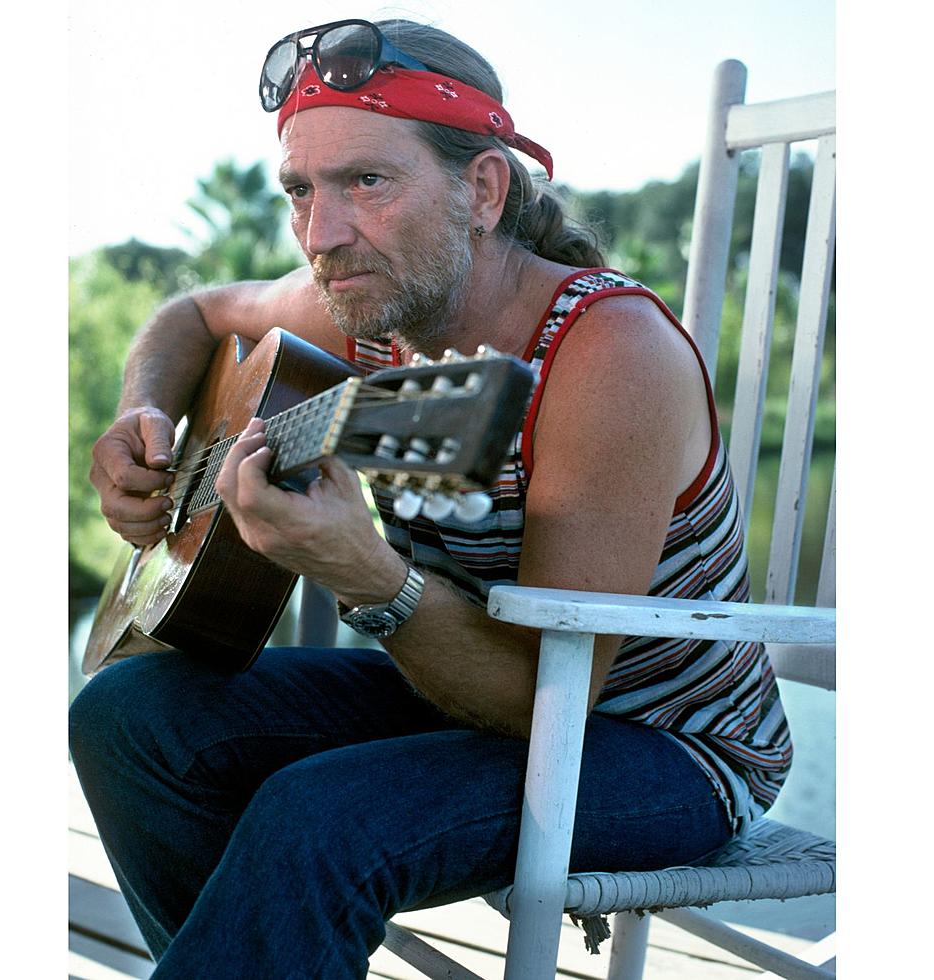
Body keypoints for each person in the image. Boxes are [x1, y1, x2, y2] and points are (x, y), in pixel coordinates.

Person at [69, 18, 792, 978]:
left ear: (482, 190)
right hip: (459, 691)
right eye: (300, 190)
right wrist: (144, 413)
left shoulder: (609, 354)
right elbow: (193, 314)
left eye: (367, 181)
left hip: (664, 747)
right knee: (126, 717)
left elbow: (542, 701)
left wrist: (363, 572)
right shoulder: (372, 303)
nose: (322, 236)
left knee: (320, 815)